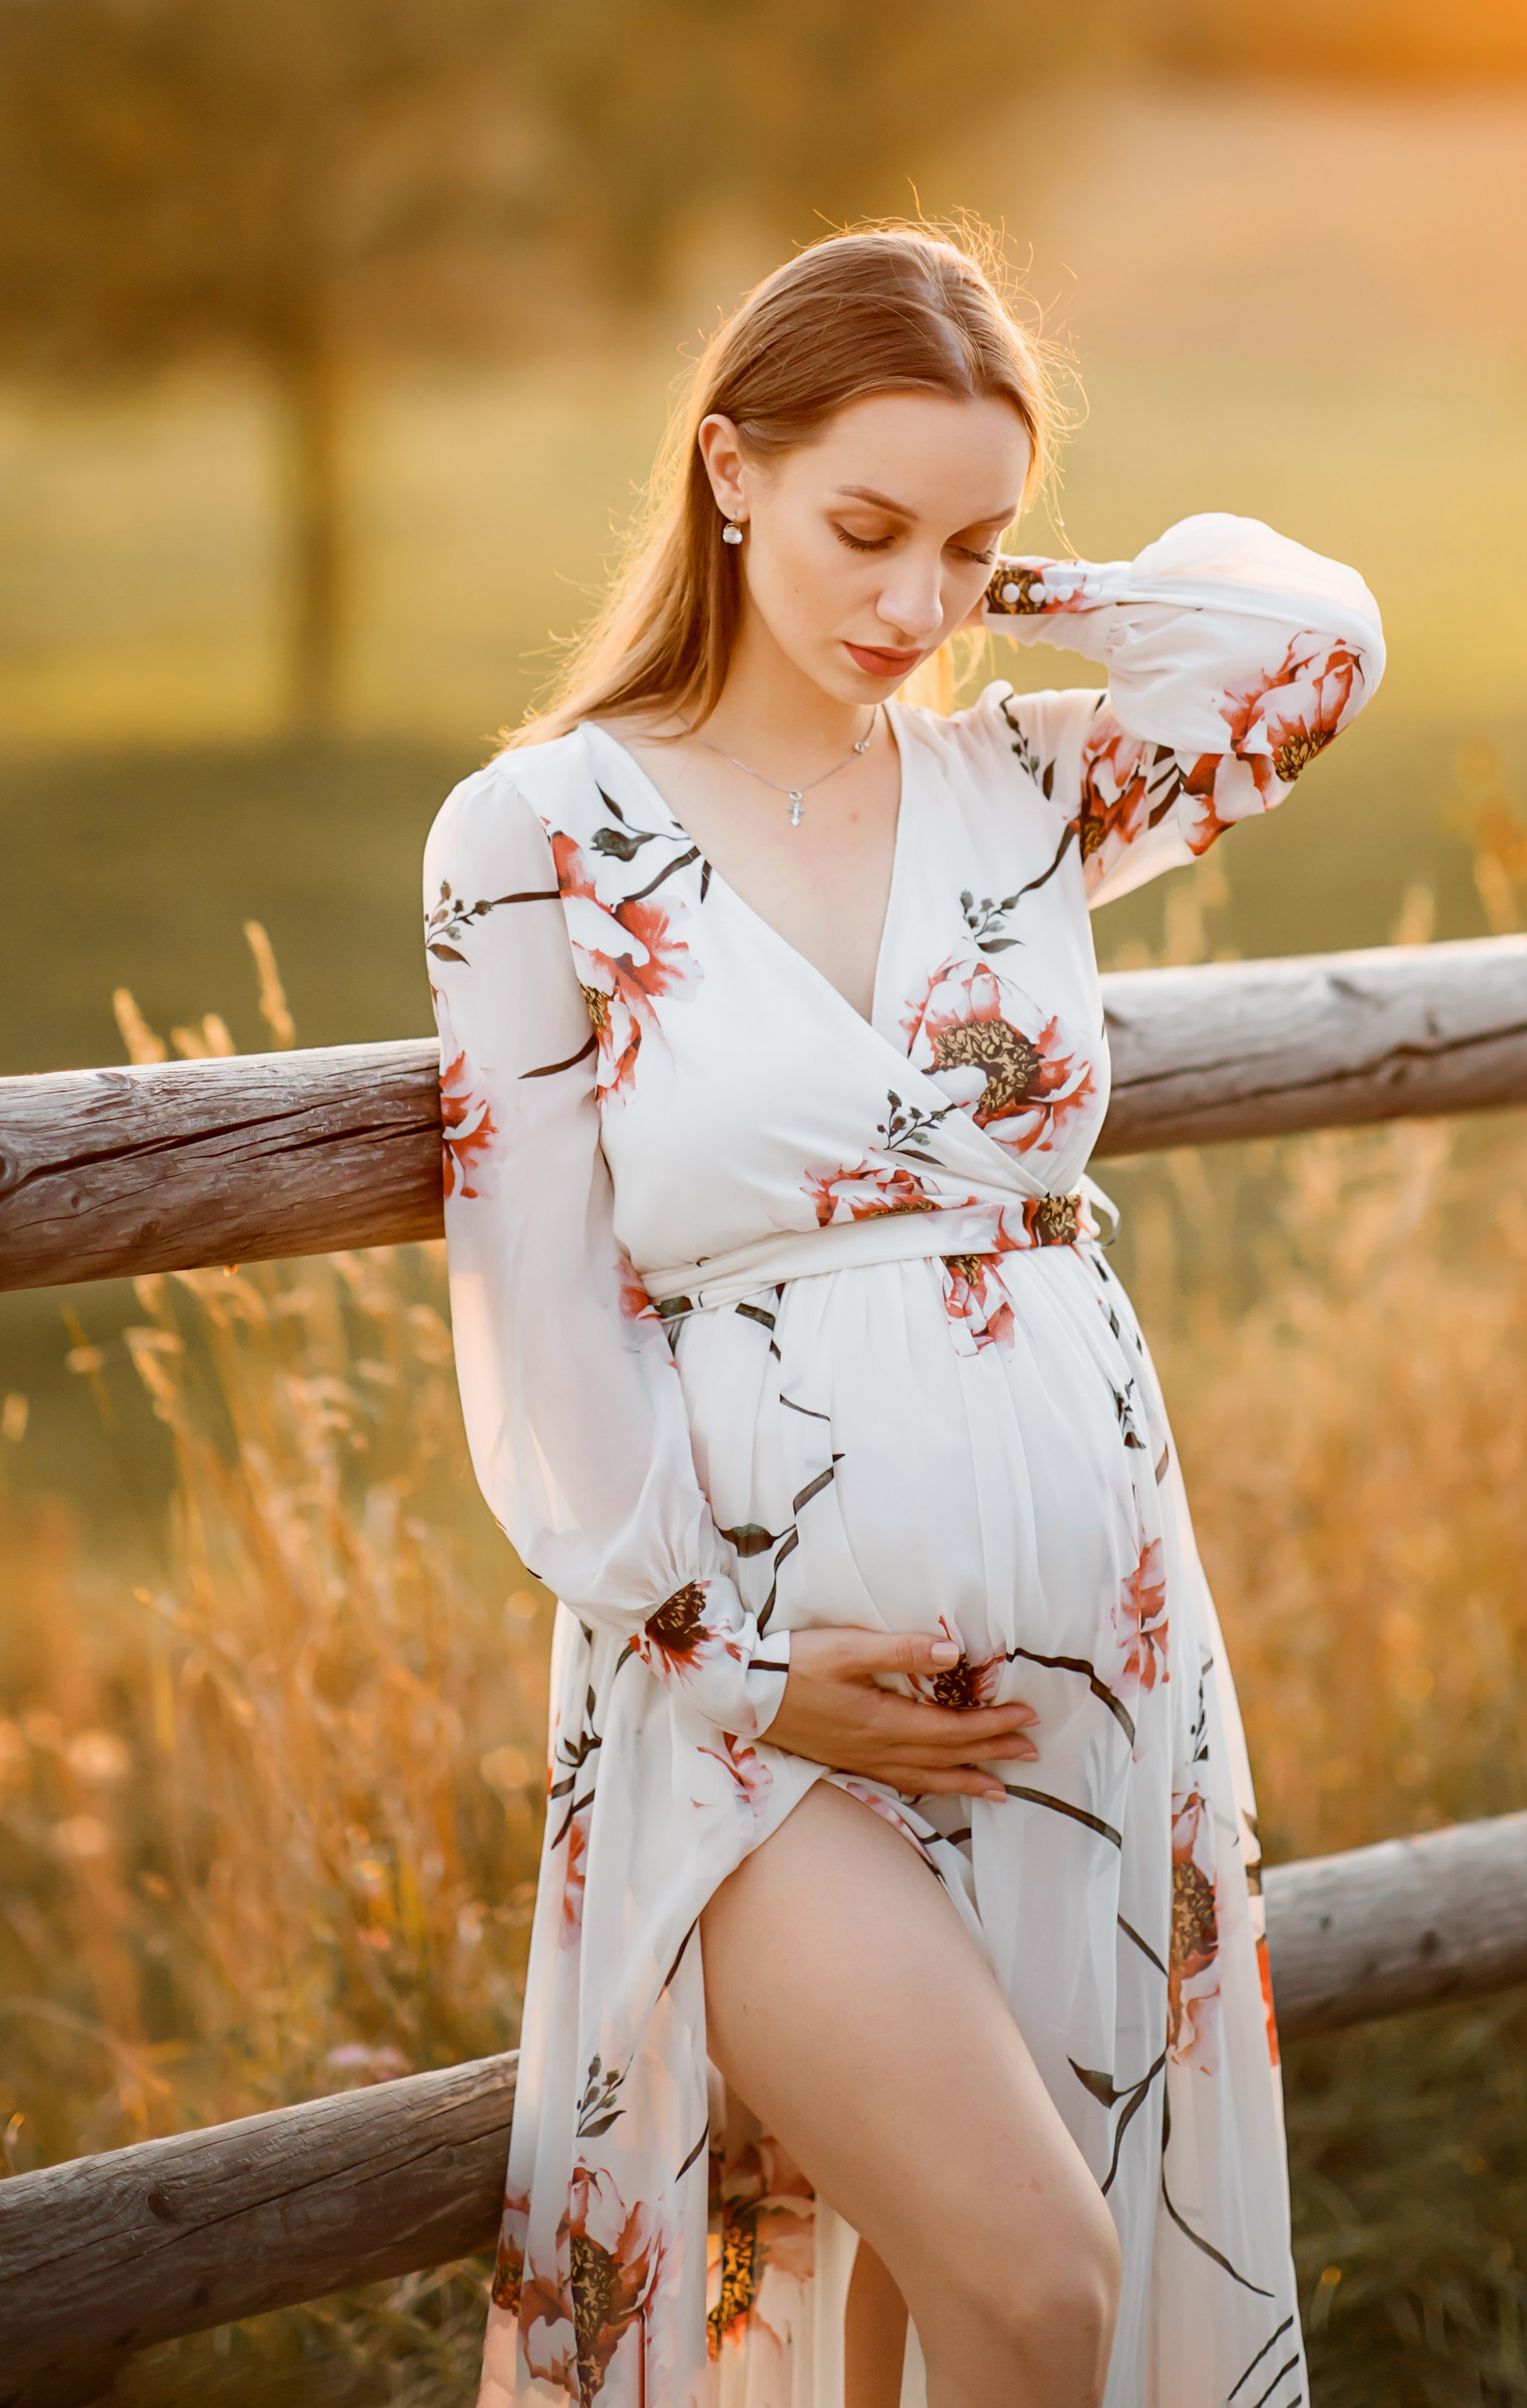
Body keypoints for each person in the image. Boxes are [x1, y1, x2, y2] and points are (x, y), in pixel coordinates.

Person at [424, 226, 1384, 2408]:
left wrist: (1019, 594)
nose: (911, 607)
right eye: (867, 527)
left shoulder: (1023, 793)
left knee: (947, 2323)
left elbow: (1319, 647)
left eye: (970, 551)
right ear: (726, 470)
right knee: (1044, 2287)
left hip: (1088, 1659)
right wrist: (742, 1670)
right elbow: (538, 1316)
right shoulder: (537, 837)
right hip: (758, 1707)